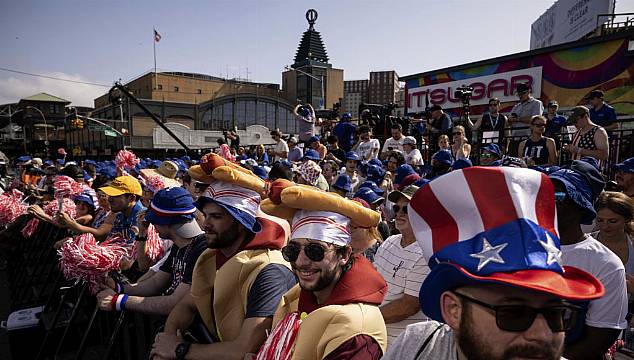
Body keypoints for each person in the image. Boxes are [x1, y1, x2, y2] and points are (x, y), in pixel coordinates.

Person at [383, 166, 605, 360]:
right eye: (514, 313)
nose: (542, 334)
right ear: (454, 310)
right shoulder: (418, 345)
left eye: (557, 314)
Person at [151, 177, 296, 360]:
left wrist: (180, 349)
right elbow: (187, 305)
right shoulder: (214, 255)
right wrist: (167, 340)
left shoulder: (270, 270)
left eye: (217, 216)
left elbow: (243, 350)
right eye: (206, 214)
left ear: (241, 222)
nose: (205, 224)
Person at [255, 189, 388, 359]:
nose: (301, 261)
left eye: (315, 251)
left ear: (344, 255)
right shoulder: (296, 299)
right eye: (293, 250)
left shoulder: (356, 330)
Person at [549, 160, 628, 358]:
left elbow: (597, 341)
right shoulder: (524, 246)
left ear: (580, 205)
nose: (550, 200)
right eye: (546, 192)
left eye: (559, 194)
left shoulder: (606, 264)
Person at [96, 187, 207, 316]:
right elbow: (154, 284)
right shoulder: (179, 245)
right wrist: (117, 287)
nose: (152, 225)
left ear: (165, 222)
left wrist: (118, 300)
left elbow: (174, 303)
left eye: (154, 220)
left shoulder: (202, 248)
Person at [374, 185, 428, 345]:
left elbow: (409, 306)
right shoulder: (390, 241)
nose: (399, 213)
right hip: (377, 337)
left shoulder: (425, 254)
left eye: (407, 209)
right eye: (397, 208)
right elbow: (372, 281)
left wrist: (366, 319)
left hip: (402, 346)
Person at [593, 191, 634, 293]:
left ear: (627, 219)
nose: (605, 226)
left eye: (613, 221)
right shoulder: (583, 244)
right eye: (600, 220)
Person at [508, 83, 544, 157]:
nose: (520, 95)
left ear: (529, 91)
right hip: (515, 139)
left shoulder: (536, 103)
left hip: (528, 138)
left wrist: (518, 119)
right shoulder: (516, 106)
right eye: (519, 94)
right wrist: (510, 120)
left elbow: (536, 119)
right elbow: (509, 120)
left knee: (527, 162)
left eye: (522, 93)